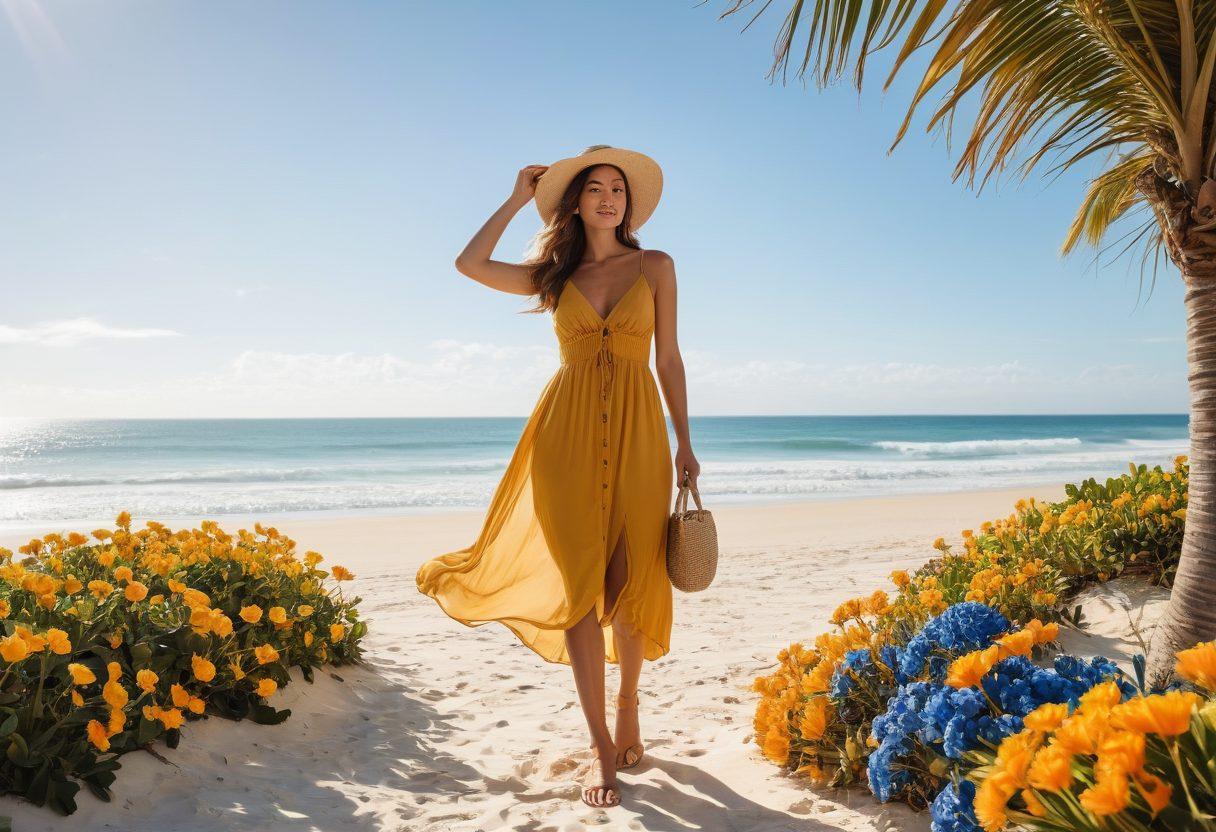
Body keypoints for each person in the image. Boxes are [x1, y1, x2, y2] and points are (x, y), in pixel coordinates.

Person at [415, 145, 700, 808]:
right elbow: (469, 265)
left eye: (617, 191)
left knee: (630, 582)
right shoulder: (553, 275)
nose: (607, 199)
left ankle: (628, 702)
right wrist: (518, 199)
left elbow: (671, 359)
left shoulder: (656, 266)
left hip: (639, 437)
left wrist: (686, 441)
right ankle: (601, 746)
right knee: (579, 589)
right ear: (576, 202)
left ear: (628, 204)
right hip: (563, 442)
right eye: (595, 188)